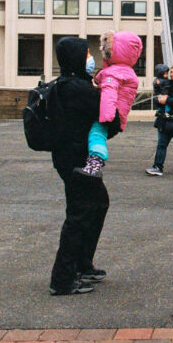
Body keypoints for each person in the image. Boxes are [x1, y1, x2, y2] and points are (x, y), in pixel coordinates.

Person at [48, 36, 108, 296]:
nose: (90, 58)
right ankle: (62, 279)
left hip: (67, 158)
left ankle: (82, 265)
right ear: (75, 58)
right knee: (80, 214)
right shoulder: (78, 89)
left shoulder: (64, 85)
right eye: (86, 54)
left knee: (98, 204)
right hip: (77, 160)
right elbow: (109, 119)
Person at [76, 30, 143, 177]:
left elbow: (109, 95)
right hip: (117, 113)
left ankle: (95, 163)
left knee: (96, 135)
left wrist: (107, 117)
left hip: (110, 114)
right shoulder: (125, 71)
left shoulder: (113, 73)